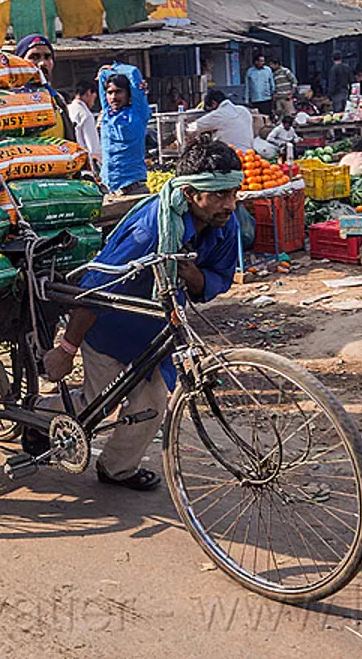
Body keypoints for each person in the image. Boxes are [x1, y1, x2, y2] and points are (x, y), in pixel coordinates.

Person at [38, 134, 243, 491]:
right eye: (220, 195)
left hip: (156, 330)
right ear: (191, 194)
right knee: (95, 404)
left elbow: (218, 279)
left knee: (152, 405)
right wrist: (66, 350)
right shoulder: (152, 230)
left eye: (233, 193)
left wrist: (192, 275)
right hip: (108, 325)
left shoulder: (226, 224)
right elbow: (95, 288)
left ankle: (116, 469)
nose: (230, 204)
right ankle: (36, 416)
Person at [98, 65, 150, 195]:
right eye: (110, 93)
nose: (113, 97)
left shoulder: (138, 113)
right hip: (110, 190)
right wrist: (105, 71)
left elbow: (133, 72)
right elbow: (103, 76)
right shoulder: (107, 113)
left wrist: (115, 68)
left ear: (129, 93)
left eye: (119, 92)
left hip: (133, 188)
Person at [16, 34, 75, 142]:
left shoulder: (58, 100)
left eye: (47, 57)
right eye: (34, 57)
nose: (43, 63)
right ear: (19, 62)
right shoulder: (11, 100)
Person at [67, 81, 101, 173]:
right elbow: (93, 147)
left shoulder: (67, 109)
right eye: (94, 97)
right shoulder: (85, 114)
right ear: (89, 92)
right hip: (83, 164)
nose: (94, 102)